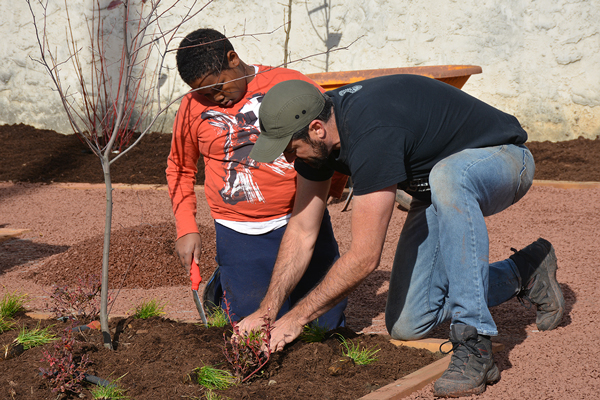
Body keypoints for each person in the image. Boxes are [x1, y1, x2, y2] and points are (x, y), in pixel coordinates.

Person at [240, 76, 565, 397]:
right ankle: (524, 272)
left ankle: (473, 342)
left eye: (290, 149)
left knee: (448, 175)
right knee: (408, 324)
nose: (288, 159)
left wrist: (297, 318)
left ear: (316, 129)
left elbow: (365, 257)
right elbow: (301, 231)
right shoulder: (320, 137)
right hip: (436, 190)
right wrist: (268, 311)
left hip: (503, 160)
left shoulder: (372, 131)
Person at [166, 28, 347, 329]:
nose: (217, 99)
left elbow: (332, 136)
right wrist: (186, 228)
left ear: (233, 59)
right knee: (255, 326)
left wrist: (335, 184)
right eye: (205, 94)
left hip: (300, 218)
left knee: (325, 325)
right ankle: (225, 284)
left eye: (219, 87)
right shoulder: (191, 107)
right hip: (239, 230)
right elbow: (180, 168)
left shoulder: (290, 85)